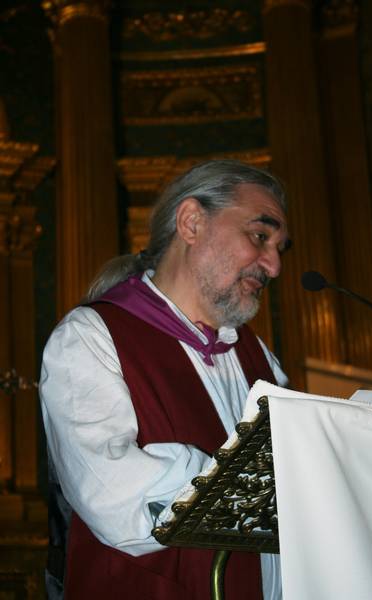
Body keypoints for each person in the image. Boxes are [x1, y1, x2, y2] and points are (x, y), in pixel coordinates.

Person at [40, 159, 291, 600]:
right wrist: (264, 489)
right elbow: (114, 497)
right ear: (191, 222)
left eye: (279, 248)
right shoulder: (90, 338)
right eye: (259, 237)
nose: (273, 266)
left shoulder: (259, 357)